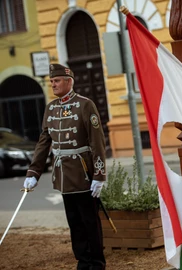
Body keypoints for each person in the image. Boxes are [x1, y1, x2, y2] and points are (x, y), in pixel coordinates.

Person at [23, 64, 106, 270]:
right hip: (63, 176)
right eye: (51, 81)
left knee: (90, 223)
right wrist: (34, 171)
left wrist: (99, 174)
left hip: (84, 173)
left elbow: (97, 142)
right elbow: (44, 141)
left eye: (57, 81)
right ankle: (83, 262)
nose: (53, 84)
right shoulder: (51, 108)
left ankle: (96, 263)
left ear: (69, 82)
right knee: (74, 223)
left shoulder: (85, 105)